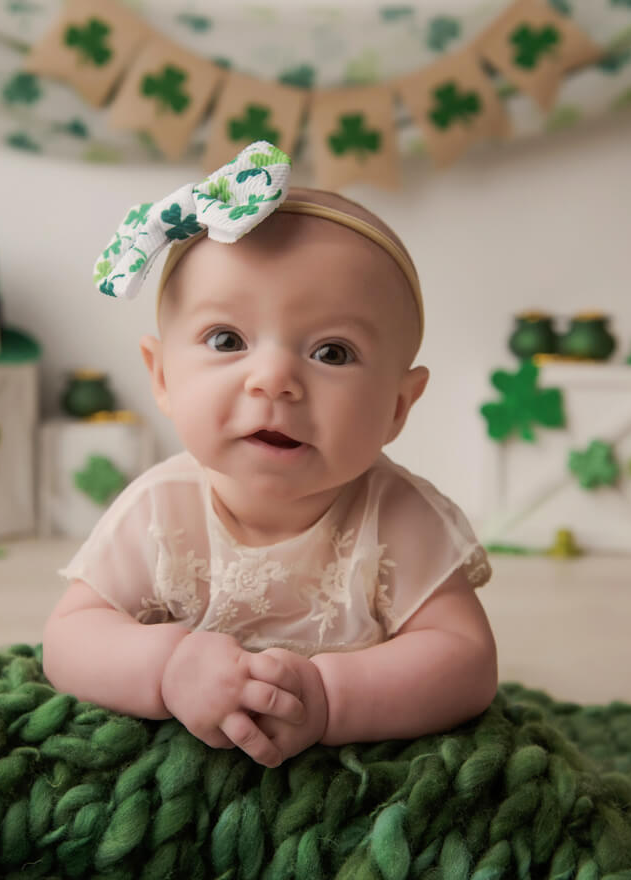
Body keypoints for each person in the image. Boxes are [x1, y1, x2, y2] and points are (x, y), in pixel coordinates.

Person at [43, 142, 496, 768]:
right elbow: (69, 638)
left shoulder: (399, 516)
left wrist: (333, 698)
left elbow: (465, 661)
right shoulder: (160, 508)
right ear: (163, 377)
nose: (274, 379)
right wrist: (168, 666)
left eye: (332, 353)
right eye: (227, 340)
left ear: (398, 406)